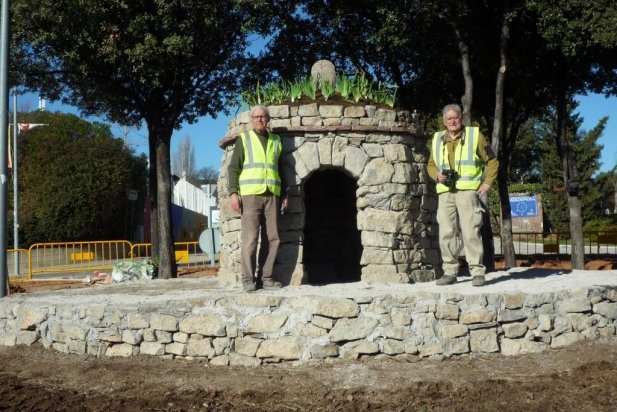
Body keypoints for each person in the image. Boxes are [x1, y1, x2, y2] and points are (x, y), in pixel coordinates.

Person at [427, 104, 499, 287]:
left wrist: (487, 182)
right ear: (444, 121)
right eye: (448, 118)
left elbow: (492, 160)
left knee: (470, 231)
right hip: (445, 192)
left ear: (461, 119)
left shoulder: (475, 136)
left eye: (455, 118)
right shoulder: (436, 138)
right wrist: (436, 175)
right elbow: (431, 164)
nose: (452, 121)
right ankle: (450, 272)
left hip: (467, 191)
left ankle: (477, 272)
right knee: (446, 233)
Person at [227, 105, 289, 292]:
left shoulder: (276, 141)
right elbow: (233, 168)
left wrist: (285, 194)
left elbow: (281, 169)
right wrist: (233, 193)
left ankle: (267, 277)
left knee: (273, 238)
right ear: (252, 120)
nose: (260, 119)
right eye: (256, 117)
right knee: (251, 238)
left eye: (263, 116)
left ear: (268, 119)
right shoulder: (244, 140)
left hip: (272, 195)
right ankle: (248, 279)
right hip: (250, 195)